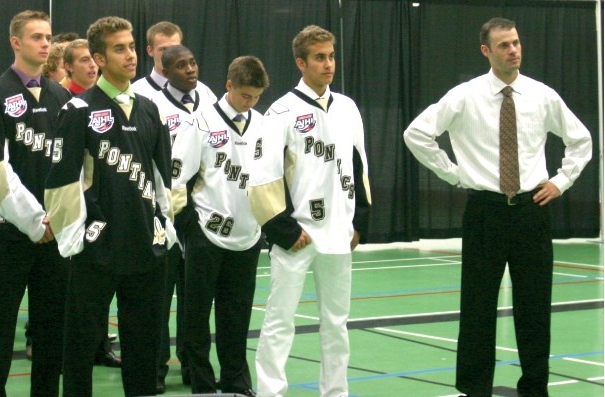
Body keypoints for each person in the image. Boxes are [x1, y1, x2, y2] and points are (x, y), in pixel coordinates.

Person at [403, 17, 592, 397]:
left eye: (517, 43)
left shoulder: (542, 95)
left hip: (531, 211)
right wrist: (454, 174)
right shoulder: (464, 96)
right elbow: (416, 134)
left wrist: (560, 181)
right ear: (486, 51)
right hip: (484, 212)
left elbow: (581, 140)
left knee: (535, 307)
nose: (514, 50)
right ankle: (474, 390)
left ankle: (535, 388)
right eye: (504, 45)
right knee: (477, 307)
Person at [45, 15, 174, 397]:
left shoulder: (150, 109)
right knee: (81, 343)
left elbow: (162, 178)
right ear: (99, 59)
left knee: (143, 345)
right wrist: (75, 239)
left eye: (132, 46)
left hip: (145, 248)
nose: (131, 55)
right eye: (120, 48)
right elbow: (61, 182)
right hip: (95, 250)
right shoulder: (78, 110)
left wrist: (164, 229)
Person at [249, 25, 371, 397]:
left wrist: (359, 221)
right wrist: (282, 230)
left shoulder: (347, 107)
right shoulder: (281, 111)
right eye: (319, 57)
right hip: (297, 235)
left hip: (339, 233)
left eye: (331, 56)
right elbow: (261, 177)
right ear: (301, 63)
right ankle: (271, 391)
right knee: (280, 320)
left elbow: (359, 165)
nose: (328, 64)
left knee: (336, 322)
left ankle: (335, 391)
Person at [0, 10, 70, 396]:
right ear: (15, 42)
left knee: (51, 331)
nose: (45, 44)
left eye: (48, 37)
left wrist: (59, 219)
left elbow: (71, 169)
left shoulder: (61, 96)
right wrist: (33, 220)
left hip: (56, 235)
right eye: (36, 37)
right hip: (7, 233)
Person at [172, 55, 268, 397]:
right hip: (207, 233)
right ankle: (201, 384)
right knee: (196, 317)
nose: (250, 103)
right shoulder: (200, 123)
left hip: (248, 235)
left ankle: (236, 382)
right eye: (245, 95)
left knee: (236, 315)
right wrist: (187, 226)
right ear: (229, 85)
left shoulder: (262, 124)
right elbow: (176, 178)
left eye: (256, 97)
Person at [148, 44, 217, 393]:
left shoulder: (208, 96)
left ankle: (194, 365)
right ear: (165, 69)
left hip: (202, 214)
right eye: (180, 65)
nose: (190, 69)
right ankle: (155, 369)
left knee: (196, 299)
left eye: (192, 62)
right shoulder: (154, 105)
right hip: (166, 211)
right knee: (161, 297)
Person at [57, 37, 123, 369]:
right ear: (68, 65)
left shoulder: (117, 103)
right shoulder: (69, 102)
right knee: (75, 300)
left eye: (90, 60)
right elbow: (64, 175)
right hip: (82, 217)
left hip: (114, 219)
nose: (90, 66)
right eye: (82, 60)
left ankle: (102, 345)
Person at [131, 21, 182, 99]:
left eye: (175, 48)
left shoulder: (200, 91)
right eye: (164, 49)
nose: (170, 54)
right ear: (150, 50)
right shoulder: (135, 93)